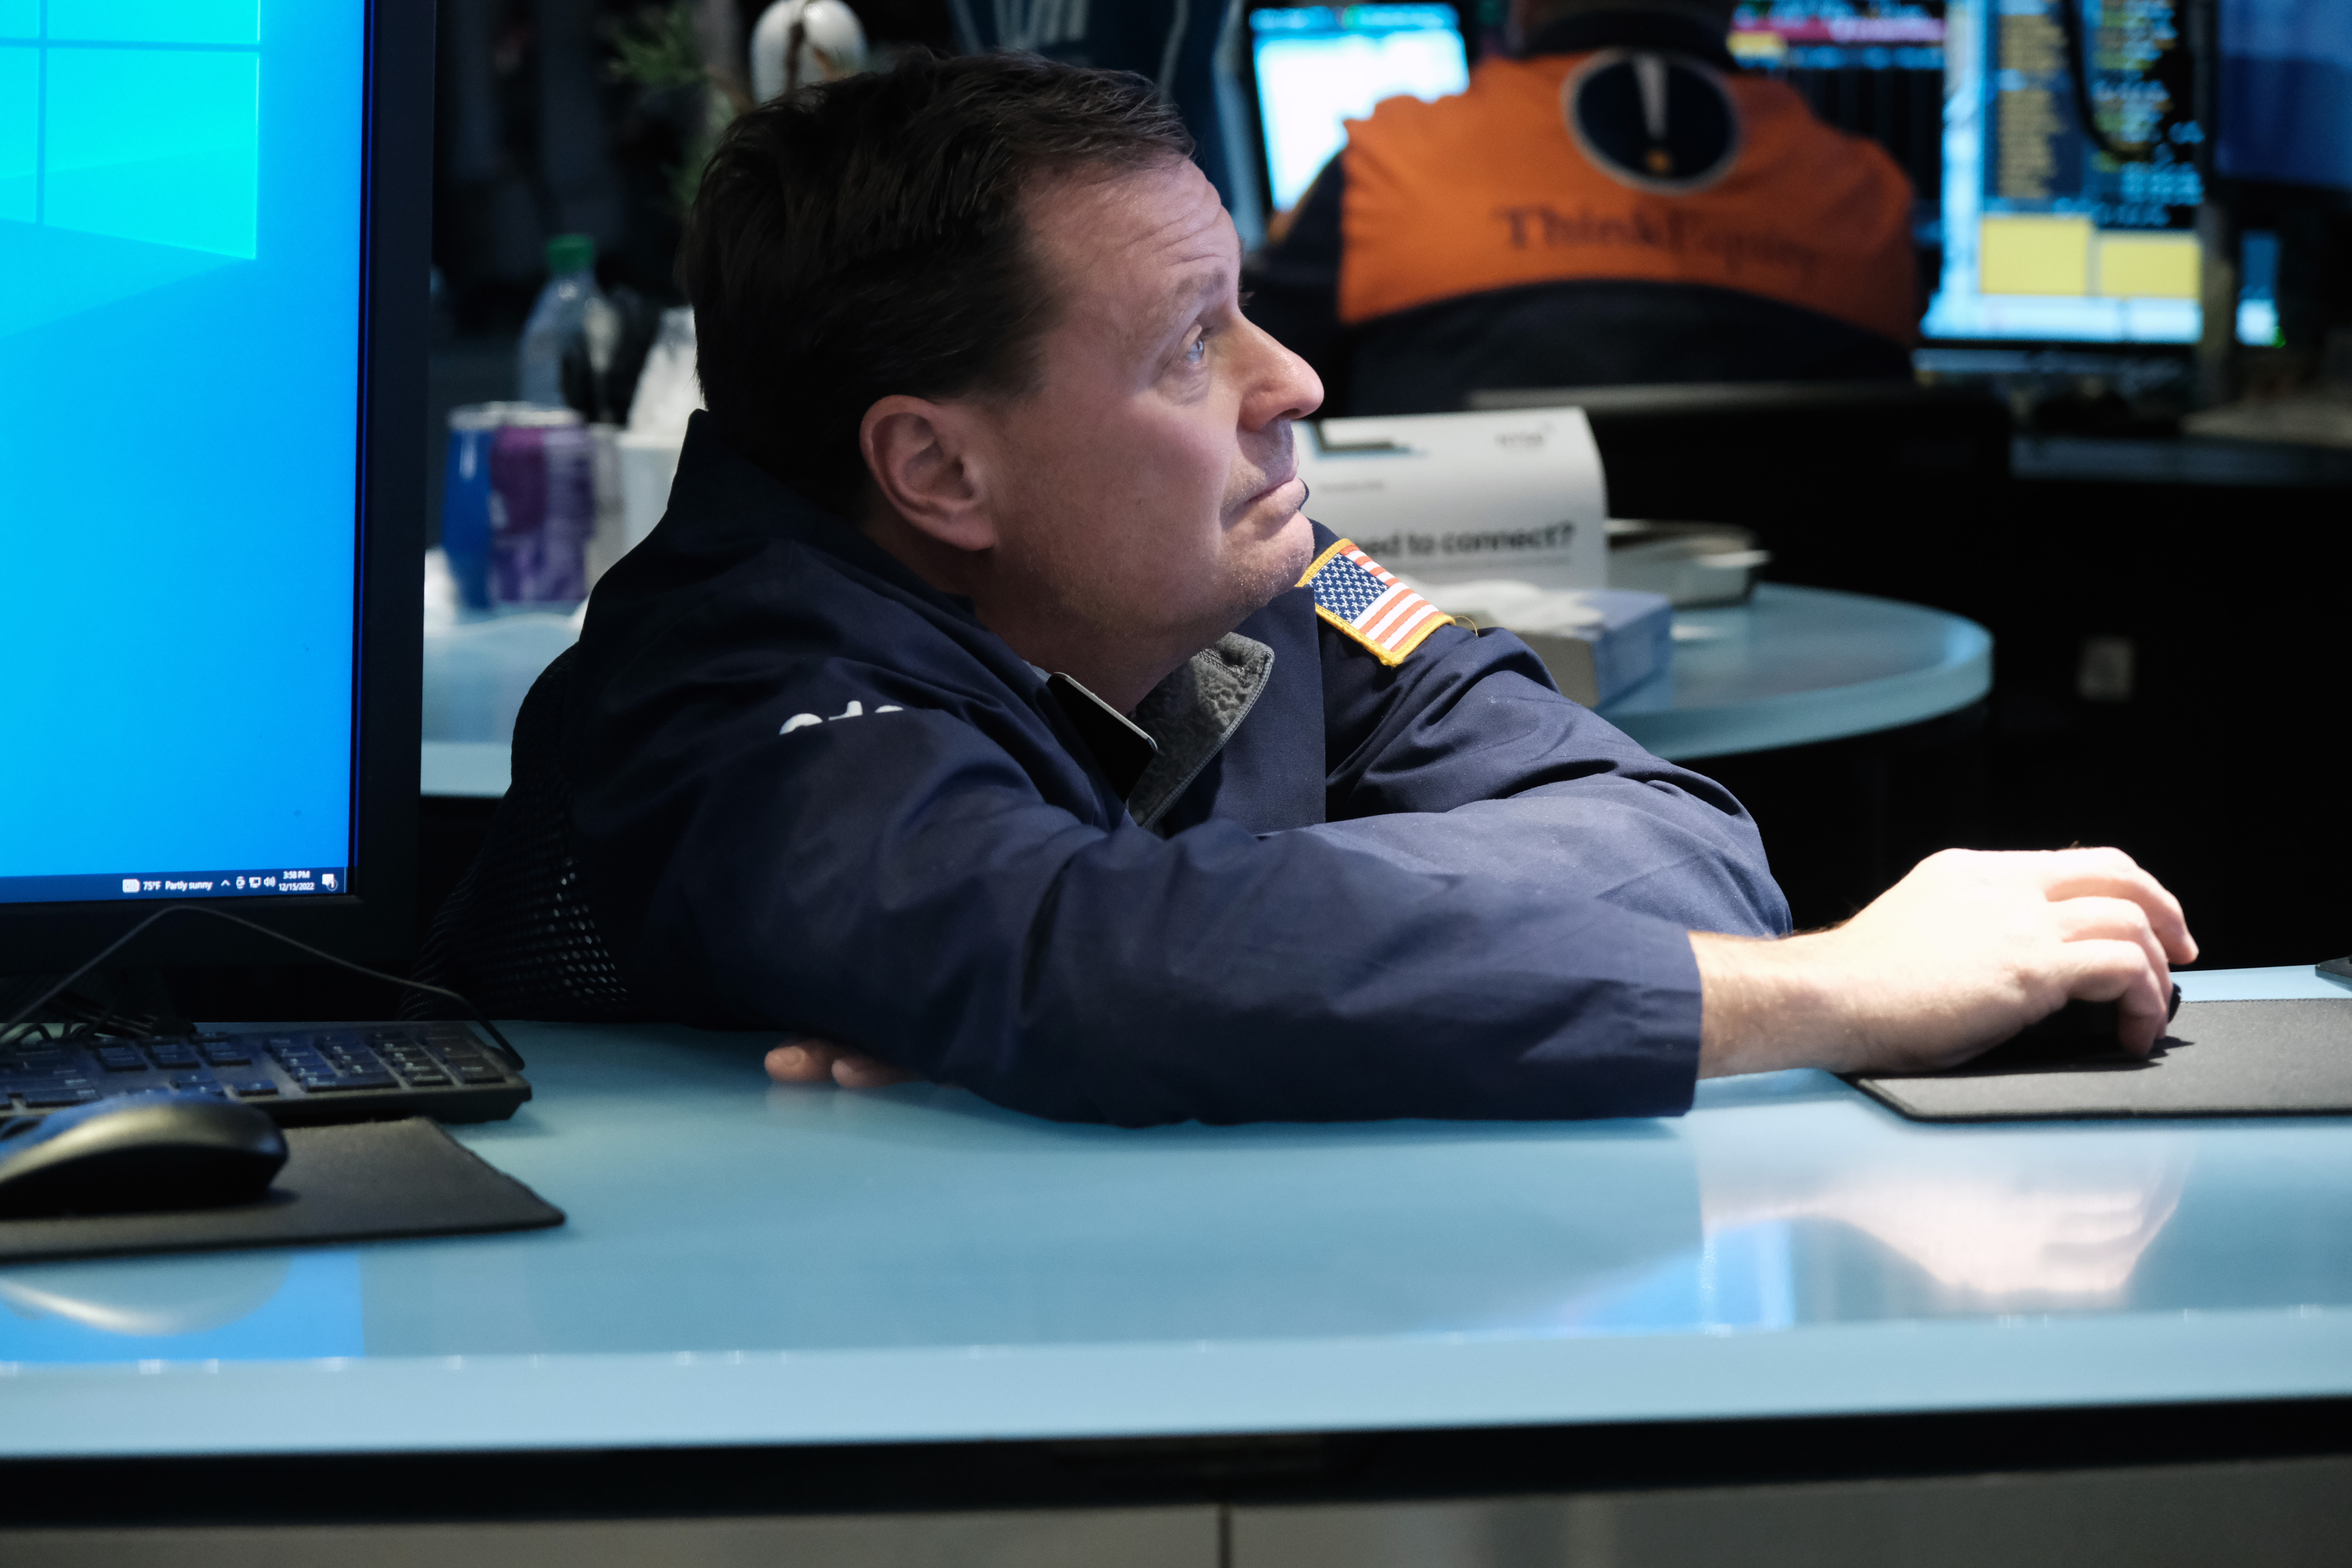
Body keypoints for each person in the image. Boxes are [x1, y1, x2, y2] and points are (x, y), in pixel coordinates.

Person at [433, 52, 2191, 1127]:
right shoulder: (731, 681)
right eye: (1189, 344)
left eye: (1248, 308)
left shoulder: (1228, 566)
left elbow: (1679, 842)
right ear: (938, 470)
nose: (1292, 384)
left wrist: (1177, 974)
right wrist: (1823, 992)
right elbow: (1086, 965)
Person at [1244, 0, 1923, 414]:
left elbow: (1247, 395)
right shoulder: (1868, 196)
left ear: (1523, 7)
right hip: (1817, 609)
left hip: (1448, 613)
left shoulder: (1386, 165)